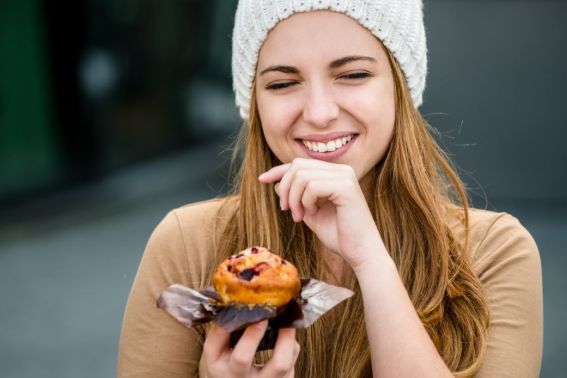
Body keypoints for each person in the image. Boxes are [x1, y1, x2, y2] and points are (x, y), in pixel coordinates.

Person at [117, 0, 543, 377]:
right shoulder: (187, 243)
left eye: (353, 75)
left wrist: (370, 259)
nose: (320, 113)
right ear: (255, 102)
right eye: (283, 83)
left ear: (399, 86)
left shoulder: (493, 251)